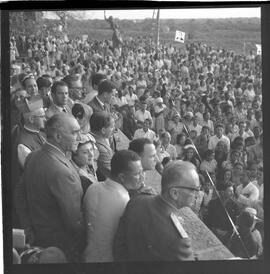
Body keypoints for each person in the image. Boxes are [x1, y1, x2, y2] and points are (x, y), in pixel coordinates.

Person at [15, 113, 85, 262]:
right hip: (62, 249)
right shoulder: (62, 172)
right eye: (74, 133)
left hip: (38, 240)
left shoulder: (33, 156)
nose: (79, 138)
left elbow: (19, 195)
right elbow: (74, 222)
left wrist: (27, 227)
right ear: (58, 137)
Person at [113, 161, 200, 261]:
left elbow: (119, 247)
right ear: (174, 193)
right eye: (194, 189)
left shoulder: (137, 200)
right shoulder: (180, 241)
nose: (198, 193)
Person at [83, 150, 142, 262]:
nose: (141, 177)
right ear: (122, 177)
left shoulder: (93, 188)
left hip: (87, 256)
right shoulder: (125, 201)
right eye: (137, 173)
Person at [90, 111, 115, 181]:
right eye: (112, 127)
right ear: (103, 130)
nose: (114, 130)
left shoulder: (92, 137)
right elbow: (111, 175)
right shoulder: (102, 150)